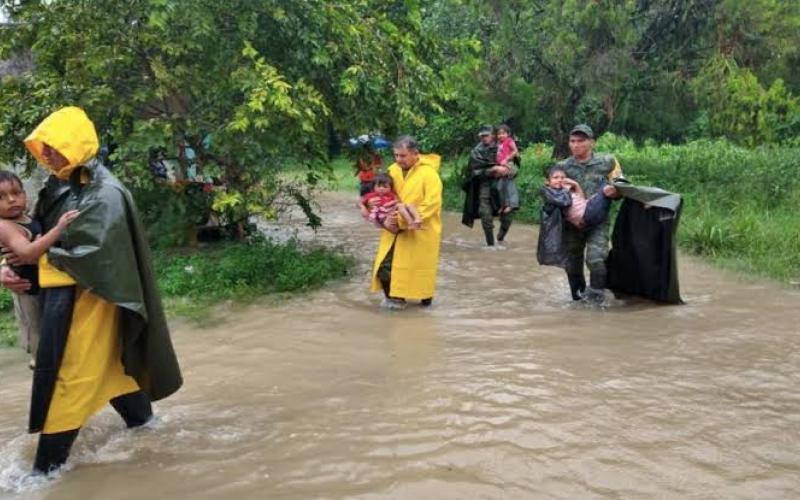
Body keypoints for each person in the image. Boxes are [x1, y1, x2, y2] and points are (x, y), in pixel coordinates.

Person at [0, 106, 183, 474]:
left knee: (67, 382)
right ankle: (146, 428)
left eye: (54, 146)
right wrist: (7, 266)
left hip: (96, 302)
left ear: (76, 143)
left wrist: (32, 263)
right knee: (114, 367)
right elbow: (28, 236)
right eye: (44, 147)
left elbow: (95, 254)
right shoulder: (62, 185)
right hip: (70, 300)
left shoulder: (105, 192)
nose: (46, 154)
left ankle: (44, 473)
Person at [0, 171, 79, 366]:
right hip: (27, 288)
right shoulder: (4, 226)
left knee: (51, 329)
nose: (11, 199)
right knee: (37, 331)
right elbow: (27, 253)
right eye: (1, 197)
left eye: (16, 192)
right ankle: (41, 365)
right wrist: (58, 228)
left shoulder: (27, 217)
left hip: (43, 284)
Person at [371, 136, 442, 309]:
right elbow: (383, 193)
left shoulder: (429, 174)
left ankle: (423, 302)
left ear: (415, 154)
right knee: (385, 267)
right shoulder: (392, 170)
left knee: (420, 271)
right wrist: (373, 205)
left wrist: (403, 219)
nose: (398, 159)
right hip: (393, 228)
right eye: (396, 155)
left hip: (421, 230)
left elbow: (431, 204)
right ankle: (394, 302)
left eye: (402, 156)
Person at [557, 124, 623, 305]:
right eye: (572, 141)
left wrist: (615, 192)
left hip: (598, 221)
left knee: (595, 260)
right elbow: (553, 193)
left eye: (581, 141)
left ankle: (597, 303)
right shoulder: (562, 167)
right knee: (572, 264)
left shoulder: (608, 162)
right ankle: (578, 300)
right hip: (571, 223)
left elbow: (622, 185)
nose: (576, 145)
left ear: (592, 142)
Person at [460, 126, 516, 246]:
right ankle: (490, 244)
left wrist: (508, 170)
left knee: (508, 214)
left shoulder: (503, 145)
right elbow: (473, 172)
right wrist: (492, 169)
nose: (484, 138)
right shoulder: (476, 152)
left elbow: (516, 163)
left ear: (493, 135)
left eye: (486, 135)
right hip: (484, 184)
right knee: (484, 213)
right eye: (482, 136)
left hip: (503, 183)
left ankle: (500, 238)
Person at [495, 124, 520, 214]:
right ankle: (503, 205)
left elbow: (515, 151)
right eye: (499, 134)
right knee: (500, 187)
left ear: (508, 134)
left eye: (503, 133)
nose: (501, 135)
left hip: (508, 165)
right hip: (500, 166)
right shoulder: (498, 144)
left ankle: (512, 205)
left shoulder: (509, 141)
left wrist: (507, 159)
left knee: (510, 185)